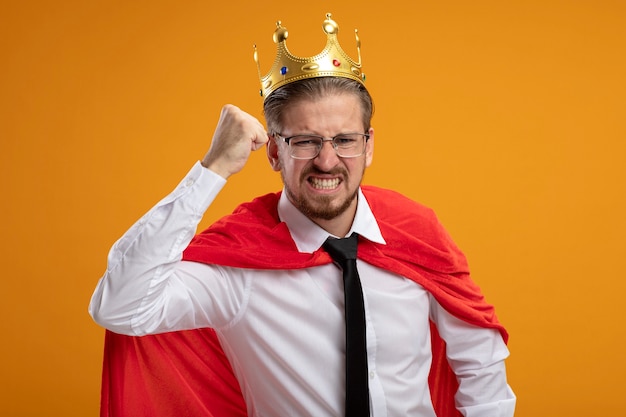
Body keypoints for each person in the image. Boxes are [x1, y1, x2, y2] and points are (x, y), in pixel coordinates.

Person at [89, 13, 516, 417]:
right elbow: (122, 307)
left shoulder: (417, 233)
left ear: (368, 145)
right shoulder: (237, 269)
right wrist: (212, 169)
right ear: (274, 151)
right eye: (305, 141)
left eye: (344, 139)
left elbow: (480, 362)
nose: (328, 161)